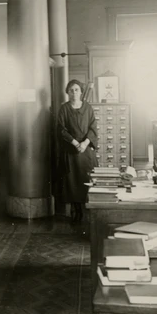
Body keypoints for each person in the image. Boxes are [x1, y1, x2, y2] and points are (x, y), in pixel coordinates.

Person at [58, 79, 98, 223]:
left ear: (81, 91)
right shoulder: (64, 109)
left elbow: (93, 128)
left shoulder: (88, 108)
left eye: (76, 90)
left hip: (86, 151)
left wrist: (85, 143)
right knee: (72, 182)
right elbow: (61, 130)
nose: (74, 93)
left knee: (86, 179)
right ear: (67, 93)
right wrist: (75, 143)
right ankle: (77, 211)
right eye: (71, 90)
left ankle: (88, 209)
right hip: (71, 151)